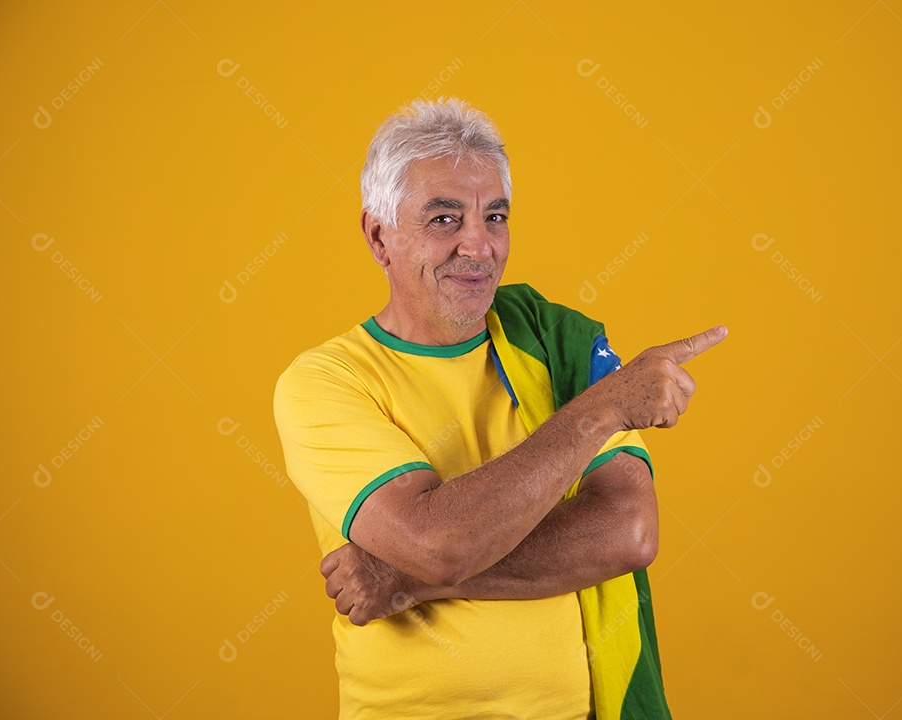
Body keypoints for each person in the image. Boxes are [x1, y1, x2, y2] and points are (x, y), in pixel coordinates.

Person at [273, 97, 727, 720]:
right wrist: (602, 411)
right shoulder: (326, 382)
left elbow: (628, 532)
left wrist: (406, 580)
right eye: (444, 219)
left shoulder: (554, 340)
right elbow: (437, 542)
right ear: (379, 235)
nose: (479, 246)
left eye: (495, 216)